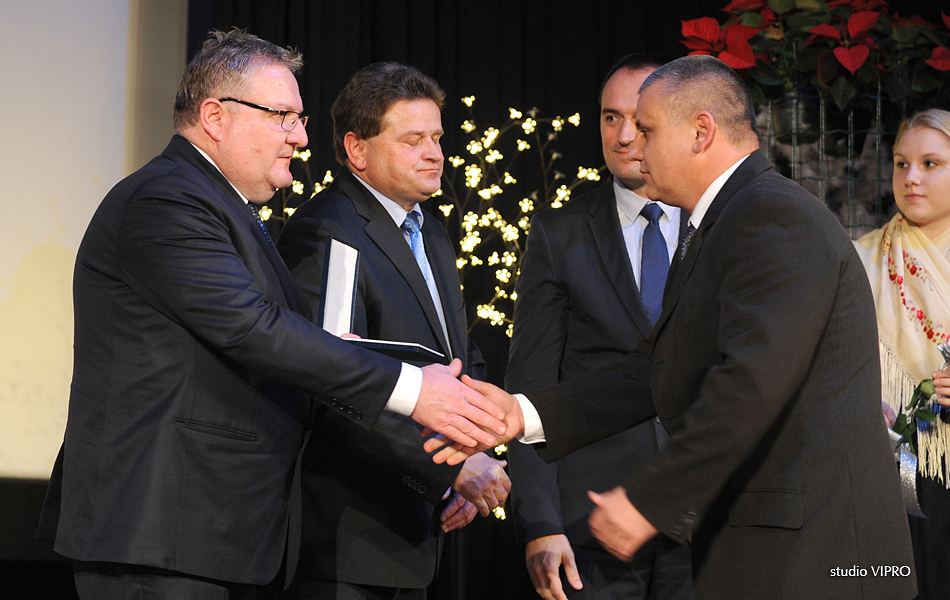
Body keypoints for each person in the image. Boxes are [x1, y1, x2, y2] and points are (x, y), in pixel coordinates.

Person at [34, 30, 509, 600]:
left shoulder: (225, 208)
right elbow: (256, 328)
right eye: (282, 116)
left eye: (299, 118)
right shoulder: (166, 199)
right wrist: (412, 390)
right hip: (161, 528)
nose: (301, 136)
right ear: (216, 116)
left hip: (213, 533)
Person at [431, 55, 917, 600]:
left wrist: (649, 502)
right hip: (773, 542)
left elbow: (751, 382)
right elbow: (658, 366)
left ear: (701, 132)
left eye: (648, 130)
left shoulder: (771, 217)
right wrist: (521, 414)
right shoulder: (723, 220)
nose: (633, 145)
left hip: (822, 555)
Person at [276, 61, 511, 600]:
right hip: (350, 542)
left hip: (415, 538)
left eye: (437, 138)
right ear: (357, 149)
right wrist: (449, 469)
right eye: (412, 141)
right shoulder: (330, 230)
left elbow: (459, 355)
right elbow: (333, 384)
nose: (434, 154)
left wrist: (478, 448)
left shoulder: (432, 234)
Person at [505, 53, 691, 600]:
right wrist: (540, 522)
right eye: (611, 118)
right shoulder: (559, 233)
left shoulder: (719, 226)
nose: (624, 135)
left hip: (702, 519)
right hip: (591, 529)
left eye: (639, 119)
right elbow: (531, 386)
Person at [854, 108, 950, 600]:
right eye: (900, 163)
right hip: (887, 466)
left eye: (930, 164)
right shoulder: (859, 258)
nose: (911, 177)